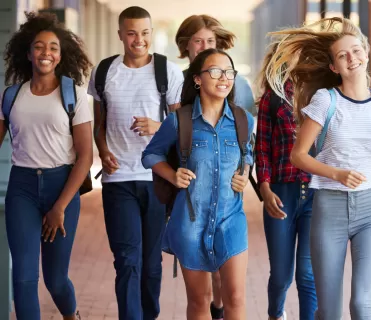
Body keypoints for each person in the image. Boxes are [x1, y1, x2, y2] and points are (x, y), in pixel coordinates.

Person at [265, 17, 371, 319]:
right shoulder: (325, 100)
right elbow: (298, 155)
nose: (352, 58)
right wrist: (337, 174)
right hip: (330, 208)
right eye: (343, 55)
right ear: (334, 67)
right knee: (329, 310)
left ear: (366, 53)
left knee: (361, 305)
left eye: (356, 51)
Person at [142, 48, 254, 320]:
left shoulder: (243, 120)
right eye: (215, 71)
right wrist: (172, 175)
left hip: (231, 218)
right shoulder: (179, 121)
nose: (224, 78)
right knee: (199, 300)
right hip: (190, 221)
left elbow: (247, 152)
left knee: (236, 297)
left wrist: (244, 172)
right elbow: (151, 155)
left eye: (229, 72)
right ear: (197, 79)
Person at [87, 6, 184, 320]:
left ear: (151, 33)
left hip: (156, 178)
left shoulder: (166, 71)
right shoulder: (104, 72)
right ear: (120, 35)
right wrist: (102, 151)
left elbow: (182, 126)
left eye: (144, 32)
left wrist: (158, 127)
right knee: (127, 259)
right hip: (117, 180)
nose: (138, 39)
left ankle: (148, 314)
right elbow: (98, 124)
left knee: (151, 263)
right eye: (131, 33)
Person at [1, 12, 93, 320]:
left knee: (55, 280)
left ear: (60, 54)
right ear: (28, 53)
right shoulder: (12, 96)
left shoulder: (75, 96)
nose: (46, 53)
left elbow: (85, 157)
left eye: (53, 47)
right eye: (39, 47)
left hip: (62, 187)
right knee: (24, 277)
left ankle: (71, 315)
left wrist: (60, 207)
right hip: (22, 189)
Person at [175, 14, 255, 319]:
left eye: (210, 41)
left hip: (228, 206)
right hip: (190, 201)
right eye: (198, 41)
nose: (204, 46)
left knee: (228, 286)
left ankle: (218, 311)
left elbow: (245, 139)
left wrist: (244, 170)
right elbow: (165, 145)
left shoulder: (237, 86)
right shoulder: (176, 84)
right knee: (200, 293)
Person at [255, 43, 317, 320]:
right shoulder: (273, 97)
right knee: (281, 275)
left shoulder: (322, 94)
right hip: (281, 192)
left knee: (307, 274)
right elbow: (262, 148)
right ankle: (275, 315)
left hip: (316, 193)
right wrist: (265, 188)